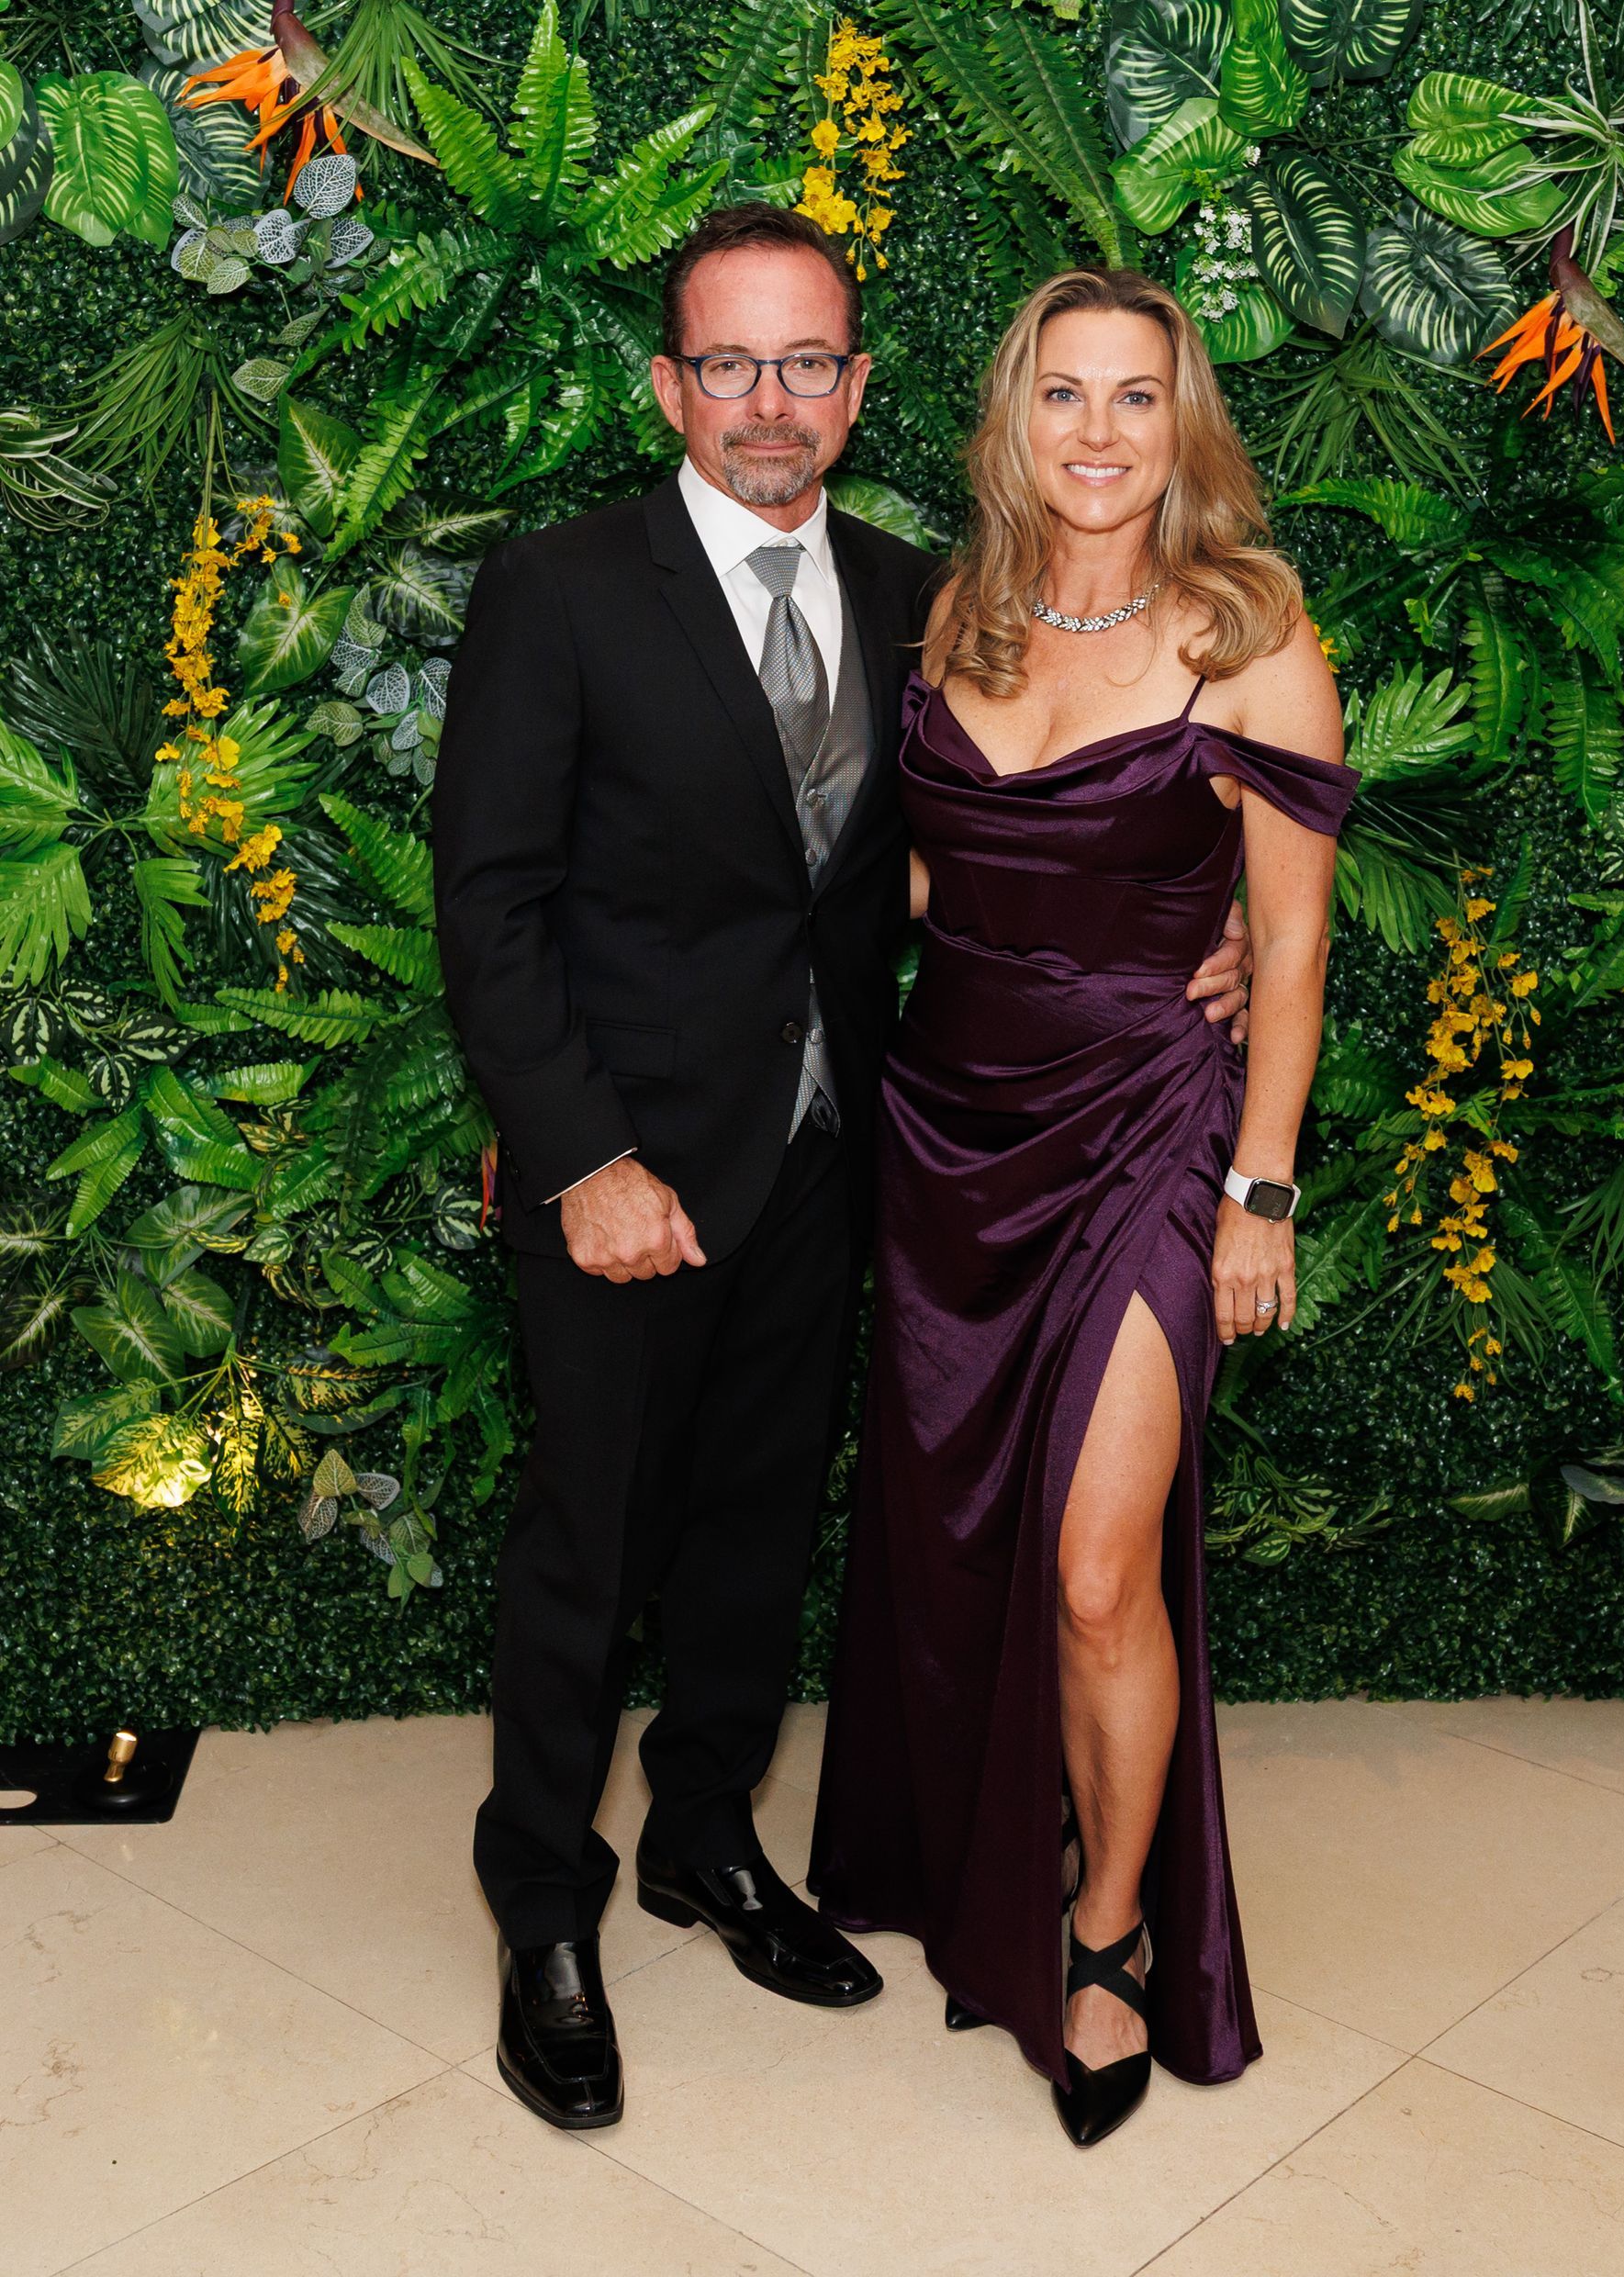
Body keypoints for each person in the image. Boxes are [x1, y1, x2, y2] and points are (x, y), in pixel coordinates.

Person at [434, 204, 1258, 2132]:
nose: (770, 402)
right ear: (670, 386)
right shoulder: (562, 588)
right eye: (730, 362)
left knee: (757, 1528)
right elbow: (489, 906)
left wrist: (1194, 935)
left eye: (807, 362)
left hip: (847, 1154)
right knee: (593, 1545)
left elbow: (988, 850)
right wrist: (582, 1156)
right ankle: (542, 1900)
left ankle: (705, 1835)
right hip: (628, 1173)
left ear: (860, 387)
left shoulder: (927, 601)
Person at [808, 265, 1358, 2148]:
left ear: (1182, 422)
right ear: (1014, 419)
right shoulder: (951, 618)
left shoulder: (1252, 637)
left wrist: (1259, 1190)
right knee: (964, 1539)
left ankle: (1109, 1931)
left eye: (1136, 396)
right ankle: (990, 1857)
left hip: (1152, 1132)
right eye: (1065, 394)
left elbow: (1291, 949)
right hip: (949, 1134)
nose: (1100, 432)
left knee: (1097, 1565)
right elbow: (922, 887)